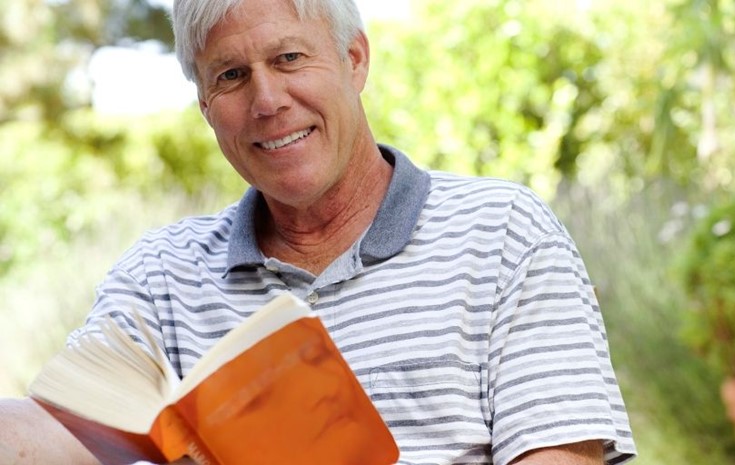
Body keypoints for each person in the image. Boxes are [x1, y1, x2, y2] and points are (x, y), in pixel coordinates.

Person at [0, 0, 637, 463]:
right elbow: (59, 436)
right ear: (204, 106)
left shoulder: (503, 233)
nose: (267, 100)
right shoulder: (158, 275)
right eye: (230, 75)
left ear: (354, 59)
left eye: (289, 58)